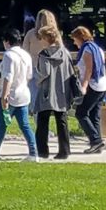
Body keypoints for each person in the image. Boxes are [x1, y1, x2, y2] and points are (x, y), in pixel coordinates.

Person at [0, 29, 39, 162]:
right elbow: (29, 76)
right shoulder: (26, 55)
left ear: (7, 42)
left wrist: (4, 96)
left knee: (1, 125)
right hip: (24, 94)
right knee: (25, 125)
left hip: (11, 95)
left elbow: (7, 77)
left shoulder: (9, 55)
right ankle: (34, 153)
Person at [32, 24, 72, 160]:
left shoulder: (44, 54)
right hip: (61, 90)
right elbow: (71, 70)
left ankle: (42, 151)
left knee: (43, 121)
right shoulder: (65, 52)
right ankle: (64, 150)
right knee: (62, 121)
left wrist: (37, 79)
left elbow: (44, 73)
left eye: (41, 37)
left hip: (46, 91)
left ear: (46, 38)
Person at [70, 25, 106, 154]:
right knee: (94, 115)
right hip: (102, 85)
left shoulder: (87, 50)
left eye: (75, 39)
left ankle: (96, 140)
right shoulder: (97, 48)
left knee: (81, 113)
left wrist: (84, 86)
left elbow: (89, 69)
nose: (74, 42)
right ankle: (97, 144)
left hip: (93, 85)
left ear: (80, 38)